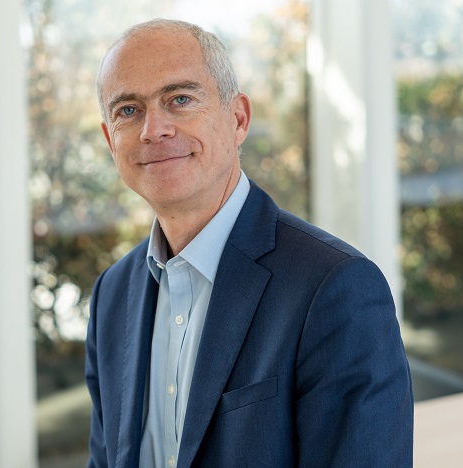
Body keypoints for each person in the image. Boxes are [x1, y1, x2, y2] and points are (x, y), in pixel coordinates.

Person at [85, 18, 413, 468]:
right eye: (128, 110)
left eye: (180, 100)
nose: (153, 129)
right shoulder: (111, 295)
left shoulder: (335, 288)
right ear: (110, 140)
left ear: (238, 119)